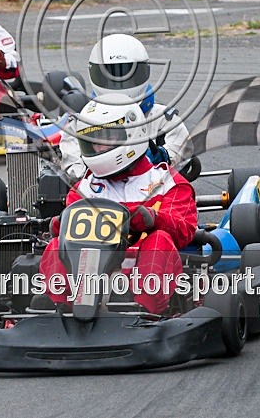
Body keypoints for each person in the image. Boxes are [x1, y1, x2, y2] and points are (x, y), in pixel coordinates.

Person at [38, 96, 198, 314]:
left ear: (133, 133)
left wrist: (152, 219)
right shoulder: (83, 189)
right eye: (92, 139)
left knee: (159, 240)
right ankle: (57, 309)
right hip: (90, 274)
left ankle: (145, 312)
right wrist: (63, 224)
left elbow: (184, 232)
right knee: (56, 244)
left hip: (143, 273)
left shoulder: (167, 183)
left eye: (105, 136)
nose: (98, 145)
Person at [58, 34, 192, 180]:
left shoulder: (164, 118)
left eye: (127, 73)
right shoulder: (81, 123)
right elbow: (74, 170)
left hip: (155, 194)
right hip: (99, 196)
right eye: (111, 75)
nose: (119, 83)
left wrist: (159, 157)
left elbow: (183, 155)